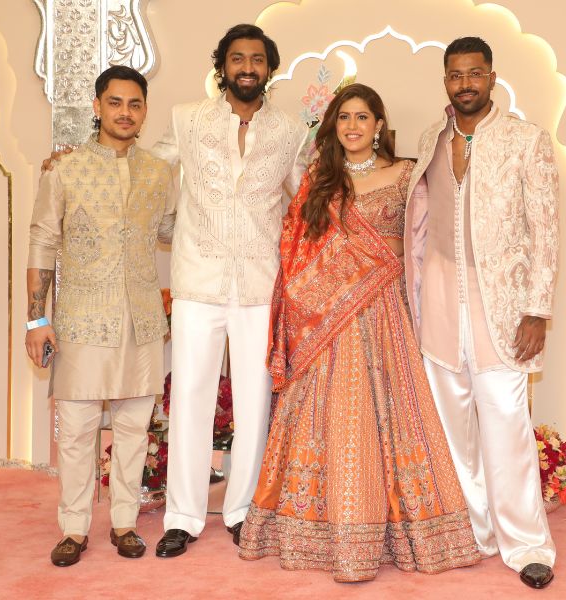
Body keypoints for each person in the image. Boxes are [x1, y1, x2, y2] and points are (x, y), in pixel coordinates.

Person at [237, 83, 481, 583]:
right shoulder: (318, 180)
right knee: (327, 416)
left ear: (378, 125)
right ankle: (319, 534)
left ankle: (401, 534)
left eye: (362, 117)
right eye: (344, 117)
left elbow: (430, 237)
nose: (352, 126)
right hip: (326, 323)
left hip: (386, 314)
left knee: (395, 416)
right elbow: (295, 248)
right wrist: (309, 302)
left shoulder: (406, 174)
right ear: (334, 126)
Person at [403, 37, 560, 590]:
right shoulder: (431, 138)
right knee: (452, 429)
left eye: (475, 73)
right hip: (439, 297)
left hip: (503, 302)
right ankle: (473, 533)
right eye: (455, 75)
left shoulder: (525, 139)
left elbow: (546, 229)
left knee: (507, 423)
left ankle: (528, 544)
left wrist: (537, 309)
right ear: (445, 80)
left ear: (492, 77)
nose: (465, 83)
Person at [150, 24, 308, 557]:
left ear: (270, 68)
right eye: (237, 58)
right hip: (198, 279)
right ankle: (183, 516)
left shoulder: (290, 132)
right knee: (190, 397)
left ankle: (243, 511)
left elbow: (307, 200)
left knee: (255, 402)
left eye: (257, 59)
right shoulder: (187, 119)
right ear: (222, 65)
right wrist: (79, 159)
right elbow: (148, 175)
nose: (247, 67)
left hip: (260, 286)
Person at [26, 65, 175, 567]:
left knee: (134, 429)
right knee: (76, 431)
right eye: (115, 102)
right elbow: (42, 242)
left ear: (145, 111)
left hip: (141, 320)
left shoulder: (159, 172)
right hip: (81, 320)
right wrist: (35, 321)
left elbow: (175, 230)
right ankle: (73, 527)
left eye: (135, 104)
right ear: (97, 106)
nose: (125, 113)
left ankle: (125, 522)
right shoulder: (64, 170)